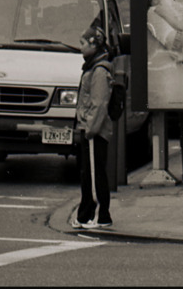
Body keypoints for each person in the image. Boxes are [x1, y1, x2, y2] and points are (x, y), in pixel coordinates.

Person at [73, 23, 115, 230]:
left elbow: (99, 103)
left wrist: (89, 129)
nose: (80, 47)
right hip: (93, 128)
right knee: (91, 173)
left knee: (93, 174)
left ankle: (96, 215)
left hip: (94, 131)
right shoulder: (96, 67)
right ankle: (88, 214)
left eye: (83, 43)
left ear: (93, 44)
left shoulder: (98, 71)